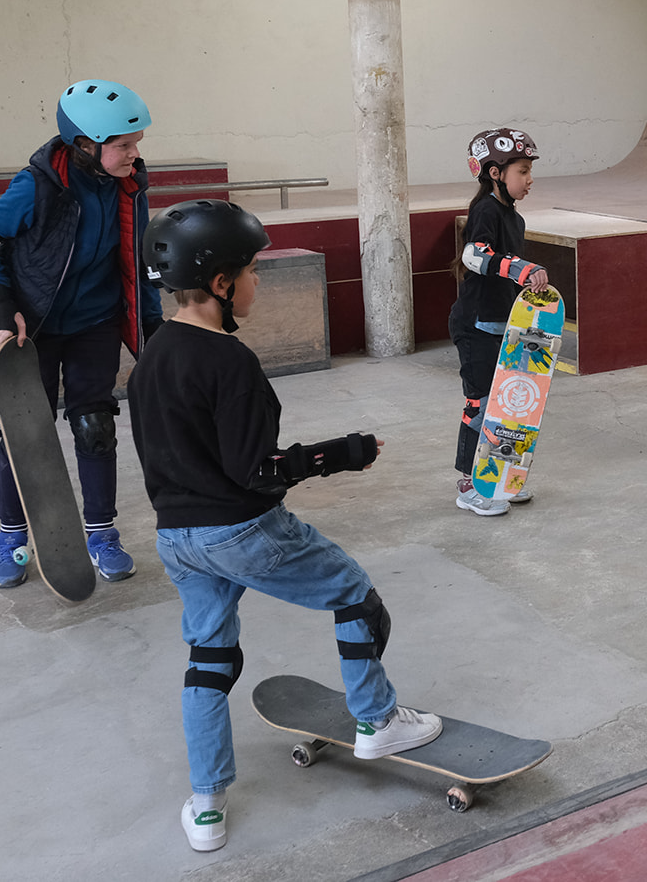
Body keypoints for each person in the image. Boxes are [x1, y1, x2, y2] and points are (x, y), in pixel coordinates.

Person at [127, 199, 441, 853]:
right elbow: (257, 472)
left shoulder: (152, 356)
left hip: (177, 538)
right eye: (251, 270)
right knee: (353, 595)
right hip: (239, 530)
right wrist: (342, 453)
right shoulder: (230, 362)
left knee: (210, 657)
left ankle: (207, 807)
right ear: (221, 284)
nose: (257, 280)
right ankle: (378, 721)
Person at [0, 78, 161, 588]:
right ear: (86, 146)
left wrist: (153, 322)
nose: (135, 154)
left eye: (136, 143)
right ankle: (11, 536)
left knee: (95, 425)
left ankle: (102, 533)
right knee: (24, 432)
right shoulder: (37, 186)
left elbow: (136, 258)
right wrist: (1, 302)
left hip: (95, 323)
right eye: (124, 145)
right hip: (34, 330)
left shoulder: (129, 186)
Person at [450, 128, 550, 515]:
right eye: (522, 171)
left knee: (507, 407)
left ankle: (498, 477)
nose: (529, 179)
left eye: (529, 171)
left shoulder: (514, 219)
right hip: (475, 326)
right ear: (495, 173)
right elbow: (474, 255)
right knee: (478, 405)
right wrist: (520, 268)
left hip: (503, 325)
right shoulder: (486, 211)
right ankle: (469, 485)